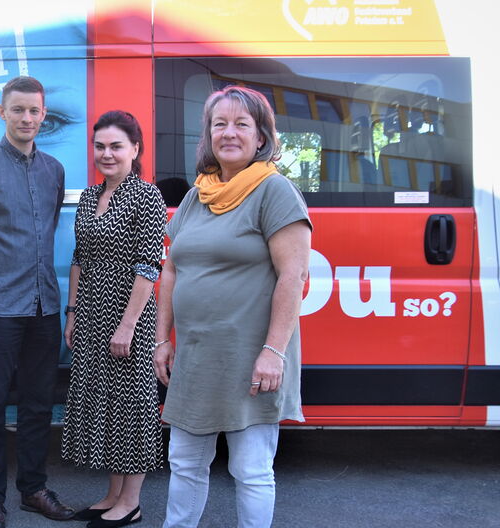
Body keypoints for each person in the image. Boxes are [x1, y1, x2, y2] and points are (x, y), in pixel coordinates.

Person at [152, 85, 312, 528]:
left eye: (242, 124)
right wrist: (162, 339)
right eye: (219, 124)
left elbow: (293, 277)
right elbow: (172, 269)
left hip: (251, 357)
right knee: (185, 460)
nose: (229, 133)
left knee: (250, 468)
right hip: (197, 356)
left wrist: (273, 352)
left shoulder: (275, 191)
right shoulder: (197, 195)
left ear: (261, 136)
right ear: (208, 135)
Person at [0, 76, 74, 528]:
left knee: (37, 404)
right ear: (2, 112)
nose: (26, 118)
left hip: (44, 307)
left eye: (34, 111)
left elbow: (48, 227)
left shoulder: (54, 170)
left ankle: (33, 489)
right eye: (18, 110)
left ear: (43, 114)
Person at [62, 110, 167, 528]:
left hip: (129, 316)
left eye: (116, 146)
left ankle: (132, 503)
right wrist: (72, 312)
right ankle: (112, 495)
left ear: (135, 149)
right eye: (100, 146)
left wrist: (127, 326)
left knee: (131, 407)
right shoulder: (90, 197)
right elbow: (79, 258)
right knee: (105, 404)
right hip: (90, 312)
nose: (106, 154)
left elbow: (148, 265)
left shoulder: (147, 196)